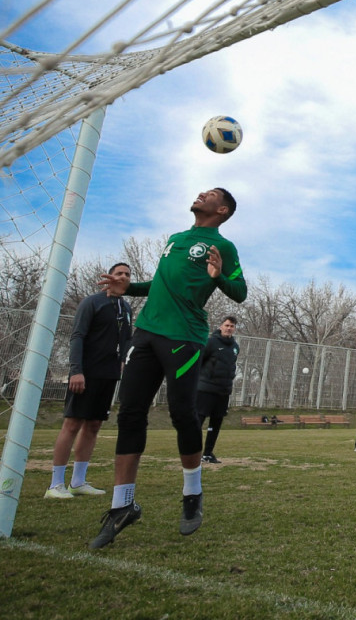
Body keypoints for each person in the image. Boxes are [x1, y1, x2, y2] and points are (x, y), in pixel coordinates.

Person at [88, 189, 247, 549]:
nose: (200, 194)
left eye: (210, 195)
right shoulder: (176, 239)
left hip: (185, 338)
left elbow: (240, 292)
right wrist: (128, 287)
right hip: (145, 334)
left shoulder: (224, 246)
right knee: (129, 414)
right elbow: (160, 285)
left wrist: (219, 275)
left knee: (183, 415)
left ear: (221, 210)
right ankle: (121, 506)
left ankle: (193, 494)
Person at [45, 262, 132, 499]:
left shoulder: (126, 308)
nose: (123, 276)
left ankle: (78, 481)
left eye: (127, 274)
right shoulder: (92, 302)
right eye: (119, 273)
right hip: (86, 372)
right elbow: (78, 335)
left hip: (109, 374)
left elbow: (126, 339)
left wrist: (123, 359)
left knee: (93, 426)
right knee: (72, 424)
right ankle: (55, 484)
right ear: (109, 278)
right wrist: (76, 370)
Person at [197, 315, 240, 464]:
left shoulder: (235, 347)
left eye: (232, 326)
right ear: (221, 326)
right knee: (198, 420)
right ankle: (193, 453)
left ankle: (208, 453)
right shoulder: (211, 342)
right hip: (206, 388)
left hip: (223, 390)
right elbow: (199, 362)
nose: (229, 328)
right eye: (227, 325)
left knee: (216, 422)